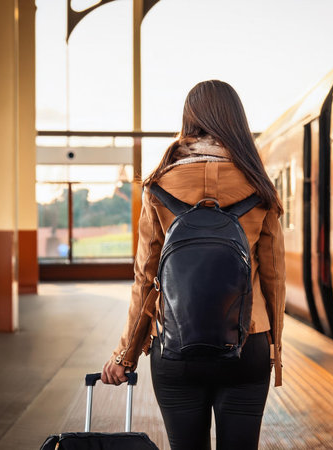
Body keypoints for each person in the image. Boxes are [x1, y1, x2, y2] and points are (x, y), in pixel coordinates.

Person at [102, 80, 286, 450]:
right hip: (247, 342)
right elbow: (273, 278)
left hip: (174, 347)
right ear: (237, 122)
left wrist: (126, 354)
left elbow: (145, 279)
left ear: (188, 120)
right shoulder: (261, 188)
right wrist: (273, 350)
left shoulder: (158, 186)